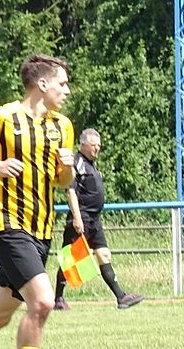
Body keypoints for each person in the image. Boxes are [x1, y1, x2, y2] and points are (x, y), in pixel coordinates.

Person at [0, 54, 75, 349]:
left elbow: (63, 181)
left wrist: (67, 168)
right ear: (43, 84)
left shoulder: (62, 126)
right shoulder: (1, 117)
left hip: (42, 231)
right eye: (62, 84)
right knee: (42, 302)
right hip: (7, 223)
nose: (67, 91)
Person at [53, 128, 143, 311]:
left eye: (99, 146)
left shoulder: (91, 165)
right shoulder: (77, 162)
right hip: (82, 218)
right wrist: (77, 218)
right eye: (93, 145)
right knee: (71, 259)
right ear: (83, 144)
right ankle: (58, 299)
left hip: (94, 219)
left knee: (104, 255)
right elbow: (70, 191)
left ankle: (121, 297)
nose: (97, 149)